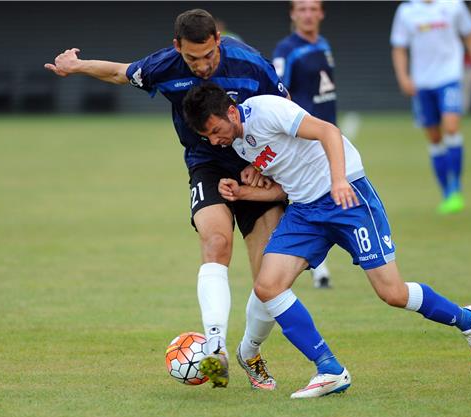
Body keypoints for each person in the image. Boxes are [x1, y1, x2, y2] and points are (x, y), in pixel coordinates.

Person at [182, 82, 471, 398]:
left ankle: (468, 319)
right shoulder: (240, 145)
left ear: (231, 111)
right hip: (305, 211)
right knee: (267, 285)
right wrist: (245, 193)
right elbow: (286, 186)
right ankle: (329, 369)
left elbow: (328, 132)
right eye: (207, 137)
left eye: (215, 129)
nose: (214, 140)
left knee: (392, 293)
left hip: (347, 200)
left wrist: (339, 180)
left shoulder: (267, 110)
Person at [44, 9, 289, 389]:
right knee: (216, 242)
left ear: (218, 42)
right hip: (207, 164)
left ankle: (249, 351)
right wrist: (75, 66)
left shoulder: (252, 65)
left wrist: (266, 164)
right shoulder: (166, 65)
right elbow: (119, 72)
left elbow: (288, 116)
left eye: (209, 55)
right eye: (193, 58)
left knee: (269, 280)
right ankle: (215, 346)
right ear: (178, 48)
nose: (203, 65)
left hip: (256, 168)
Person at [390, 0, 471, 214]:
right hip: (422, 82)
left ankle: (456, 186)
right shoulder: (406, 11)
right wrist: (403, 77)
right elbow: (399, 47)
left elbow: (469, 34)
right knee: (434, 137)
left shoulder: (454, 5)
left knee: (451, 127)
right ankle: (446, 192)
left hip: (449, 76)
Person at [272, 0, 335, 288]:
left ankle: (315, 263)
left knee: (324, 196)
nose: (308, 14)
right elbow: (278, 92)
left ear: (321, 13)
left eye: (313, 9)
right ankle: (314, 266)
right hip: (304, 137)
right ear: (293, 14)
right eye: (302, 9)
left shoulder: (323, 43)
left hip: (327, 134)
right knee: (305, 198)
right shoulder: (286, 50)